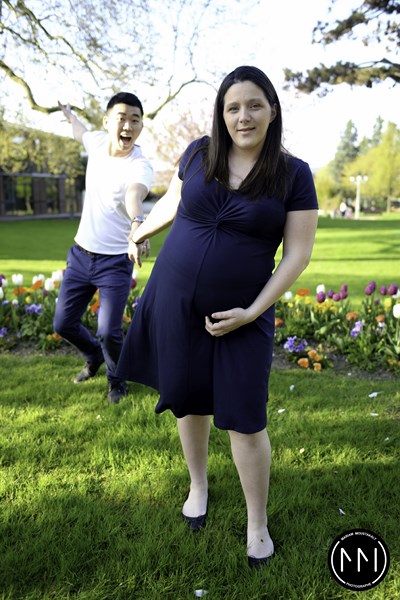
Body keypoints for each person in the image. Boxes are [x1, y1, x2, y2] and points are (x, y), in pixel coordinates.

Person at [116, 66, 318, 567]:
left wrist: (252, 312)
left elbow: (297, 255)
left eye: (254, 105)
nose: (242, 116)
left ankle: (257, 524)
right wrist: (140, 232)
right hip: (176, 301)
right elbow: (173, 202)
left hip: (244, 314)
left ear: (272, 111)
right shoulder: (199, 154)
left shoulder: (294, 175)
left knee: (245, 420)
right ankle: (199, 486)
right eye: (232, 107)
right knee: (188, 402)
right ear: (221, 114)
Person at [54, 92, 153, 404]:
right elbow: (80, 131)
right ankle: (93, 355)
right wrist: (69, 114)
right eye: (122, 118)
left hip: (115, 263)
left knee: (109, 330)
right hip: (81, 255)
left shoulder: (139, 165)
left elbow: (134, 195)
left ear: (141, 126)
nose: (128, 126)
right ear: (107, 121)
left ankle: (117, 380)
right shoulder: (96, 143)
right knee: (63, 323)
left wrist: (137, 224)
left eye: (135, 120)